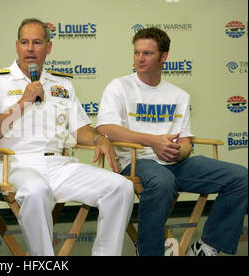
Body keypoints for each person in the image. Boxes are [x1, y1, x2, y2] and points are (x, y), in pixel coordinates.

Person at [0, 18, 134, 256]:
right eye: (24, 42)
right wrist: (23, 101)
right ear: (17, 46)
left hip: (58, 165)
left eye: (37, 42)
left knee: (121, 188)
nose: (30, 48)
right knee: (36, 191)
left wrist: (99, 138)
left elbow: (81, 131)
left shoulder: (62, 83)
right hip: (16, 165)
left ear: (48, 47)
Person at [96, 27, 248, 256]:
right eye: (137, 52)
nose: (140, 58)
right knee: (163, 181)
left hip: (175, 163)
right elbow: (106, 128)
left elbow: (186, 141)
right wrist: (153, 142)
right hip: (137, 161)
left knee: (241, 177)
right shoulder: (119, 86)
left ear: (164, 57)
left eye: (147, 53)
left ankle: (208, 247)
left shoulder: (179, 95)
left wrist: (180, 152)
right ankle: (149, 251)